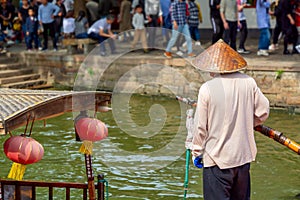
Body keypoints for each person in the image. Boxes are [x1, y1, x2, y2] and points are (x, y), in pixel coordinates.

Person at [191, 39, 270, 200]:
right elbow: (263, 111)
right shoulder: (249, 82)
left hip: (217, 159)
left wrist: (196, 152)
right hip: (242, 158)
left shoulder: (207, 89)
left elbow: (200, 128)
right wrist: (247, 123)